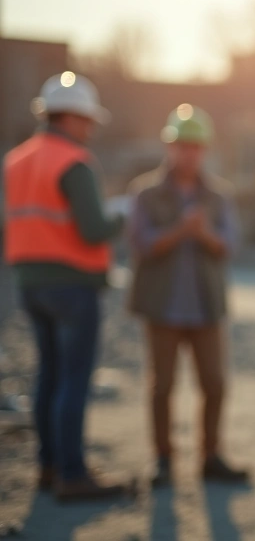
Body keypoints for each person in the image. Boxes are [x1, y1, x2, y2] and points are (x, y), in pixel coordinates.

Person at [4, 72, 131, 501]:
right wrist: (121, 216)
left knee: (48, 375)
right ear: (73, 117)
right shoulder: (73, 161)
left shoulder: (17, 159)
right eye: (88, 120)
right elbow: (94, 229)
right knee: (74, 380)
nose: (90, 129)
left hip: (29, 282)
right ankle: (73, 474)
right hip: (73, 285)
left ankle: (48, 465)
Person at [127, 104, 249, 487]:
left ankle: (210, 455)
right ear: (170, 147)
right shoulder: (146, 193)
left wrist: (205, 234)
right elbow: (140, 244)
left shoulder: (219, 195)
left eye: (195, 147)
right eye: (182, 146)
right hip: (162, 307)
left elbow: (231, 245)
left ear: (205, 150)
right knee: (161, 387)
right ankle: (163, 459)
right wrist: (180, 231)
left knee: (214, 384)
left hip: (205, 308)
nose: (189, 153)